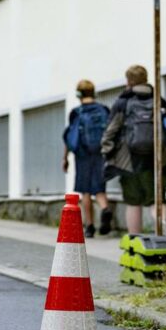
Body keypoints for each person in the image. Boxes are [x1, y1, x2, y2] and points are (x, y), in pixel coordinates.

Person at [101, 65, 166, 234]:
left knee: (133, 202)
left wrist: (108, 154)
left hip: (129, 163)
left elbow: (110, 131)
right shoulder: (159, 101)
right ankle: (165, 233)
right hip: (156, 162)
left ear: (128, 81)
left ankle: (133, 241)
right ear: (145, 79)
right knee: (157, 200)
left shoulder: (123, 102)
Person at [63, 80, 113, 238]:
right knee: (99, 187)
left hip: (82, 155)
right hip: (101, 153)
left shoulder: (76, 112)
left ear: (79, 94)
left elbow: (69, 137)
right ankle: (105, 208)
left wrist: (65, 158)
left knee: (85, 190)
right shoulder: (104, 109)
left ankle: (89, 226)